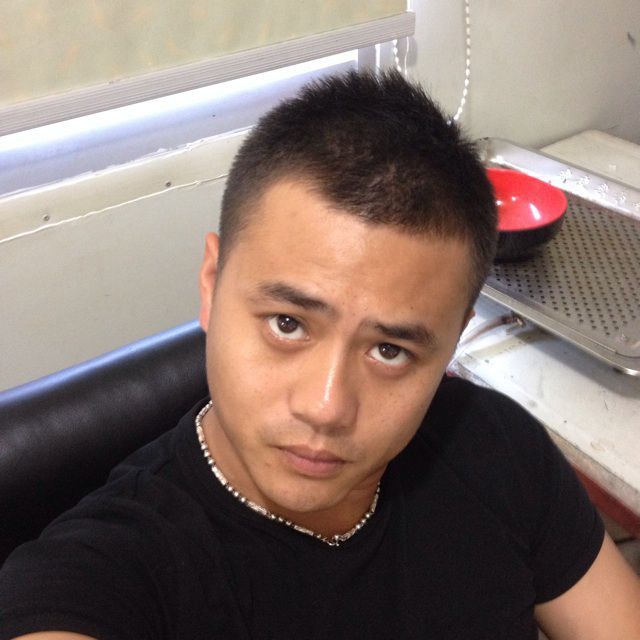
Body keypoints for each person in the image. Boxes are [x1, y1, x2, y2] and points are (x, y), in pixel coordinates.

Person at [0, 70, 639, 640]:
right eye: (288, 324)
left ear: (452, 341)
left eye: (390, 350)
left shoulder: (498, 449)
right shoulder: (107, 573)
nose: (327, 407)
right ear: (211, 285)